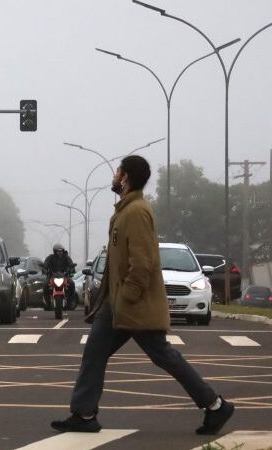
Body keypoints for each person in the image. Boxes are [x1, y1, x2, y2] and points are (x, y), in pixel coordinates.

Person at [50, 155, 233, 435]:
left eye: (117, 171)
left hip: (133, 304)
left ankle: (216, 405)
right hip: (118, 303)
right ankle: (85, 414)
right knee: (94, 354)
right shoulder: (125, 210)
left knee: (164, 356)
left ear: (125, 178)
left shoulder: (136, 212)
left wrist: (128, 296)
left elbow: (143, 261)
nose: (113, 175)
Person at [42, 243, 75, 307]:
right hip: (52, 276)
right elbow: (45, 265)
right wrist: (45, 270)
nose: (60, 252)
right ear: (55, 251)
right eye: (58, 251)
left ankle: (70, 302)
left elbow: (71, 265)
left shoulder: (66, 257)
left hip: (64, 276)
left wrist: (72, 269)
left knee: (72, 284)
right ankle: (47, 302)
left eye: (61, 251)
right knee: (45, 285)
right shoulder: (50, 258)